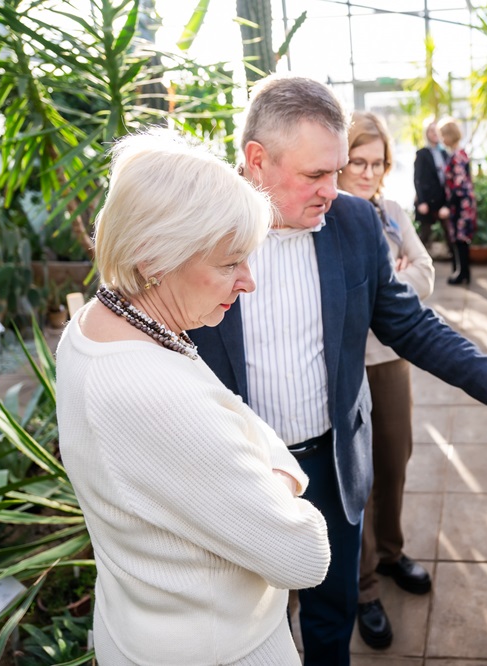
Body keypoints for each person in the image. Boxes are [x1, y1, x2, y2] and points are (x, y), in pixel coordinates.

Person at [190, 73, 487, 666]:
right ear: (256, 161)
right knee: (245, 621)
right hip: (236, 469)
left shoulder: (354, 223)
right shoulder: (196, 233)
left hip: (329, 458)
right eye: (316, 174)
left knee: (330, 611)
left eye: (336, 169)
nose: (333, 188)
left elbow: (409, 324)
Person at [56, 130, 330, 665]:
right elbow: (304, 557)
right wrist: (278, 475)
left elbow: (231, 417)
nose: (248, 282)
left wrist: (259, 462)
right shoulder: (155, 395)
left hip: (142, 631)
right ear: (154, 257)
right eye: (230, 264)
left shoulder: (96, 327)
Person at [336, 110, 435, 650]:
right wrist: (390, 282)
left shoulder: (393, 213)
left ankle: (391, 554)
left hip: (390, 360)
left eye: (378, 163)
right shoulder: (327, 219)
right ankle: (365, 587)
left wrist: (389, 283)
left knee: (395, 461)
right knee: (358, 476)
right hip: (346, 364)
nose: (370, 172)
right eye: (359, 161)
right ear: (339, 162)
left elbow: (426, 272)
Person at [438, 117, 477, 286]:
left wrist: (448, 205)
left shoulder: (458, 156)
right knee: (460, 240)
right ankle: (463, 272)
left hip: (461, 205)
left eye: (443, 135)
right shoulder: (457, 154)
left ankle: (463, 273)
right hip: (460, 204)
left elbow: (459, 184)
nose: (441, 139)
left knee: (461, 239)